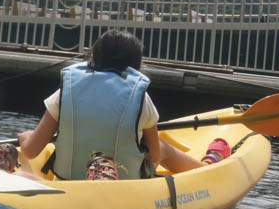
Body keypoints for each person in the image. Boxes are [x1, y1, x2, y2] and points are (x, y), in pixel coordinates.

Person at [17, 30, 228, 180]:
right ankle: (205, 169)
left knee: (47, 140)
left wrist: (25, 137)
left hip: (67, 181)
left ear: (93, 58)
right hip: (123, 185)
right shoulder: (140, 98)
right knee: (162, 148)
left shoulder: (64, 93)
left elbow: (31, 151)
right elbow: (154, 157)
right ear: (135, 66)